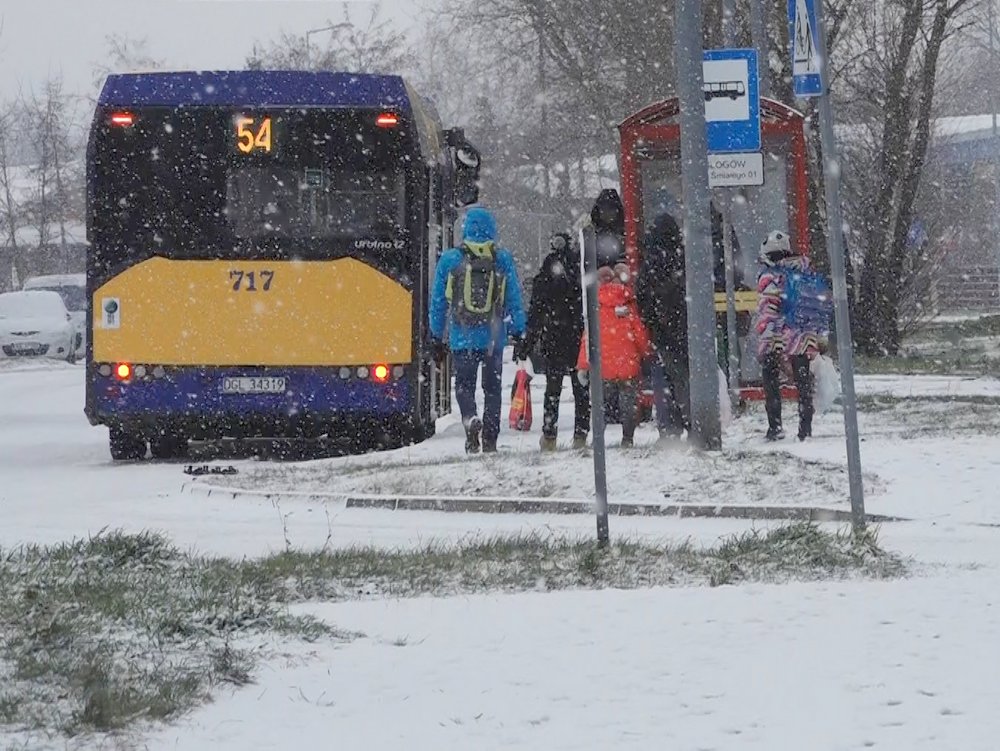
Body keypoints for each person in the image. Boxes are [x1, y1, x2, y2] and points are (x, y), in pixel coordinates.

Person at [429, 207, 527, 454]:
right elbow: (514, 298)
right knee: (492, 389)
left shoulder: (451, 259)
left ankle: (471, 419)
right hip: (493, 337)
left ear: (466, 229)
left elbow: (438, 302)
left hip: (462, 337)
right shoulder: (501, 259)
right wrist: (519, 330)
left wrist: (435, 336)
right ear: (492, 230)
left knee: (464, 386)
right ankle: (490, 439)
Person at [520, 232, 590, 451]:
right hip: (577, 337)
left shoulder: (546, 272)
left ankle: (549, 435)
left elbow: (537, 310)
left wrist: (527, 343)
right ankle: (581, 434)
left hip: (554, 337)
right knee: (580, 387)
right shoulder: (580, 270)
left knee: (553, 388)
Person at [755, 229, 824, 441]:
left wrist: (766, 335)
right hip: (802, 332)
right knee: (803, 380)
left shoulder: (769, 275)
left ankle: (775, 427)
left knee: (771, 377)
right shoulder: (804, 269)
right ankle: (805, 428)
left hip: (775, 331)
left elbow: (768, 308)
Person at [576, 264, 651, 448]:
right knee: (628, 405)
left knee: (601, 404)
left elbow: (588, 339)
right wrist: (646, 354)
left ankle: (598, 438)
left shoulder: (596, 307)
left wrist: (583, 365)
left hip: (604, 366)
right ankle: (627, 438)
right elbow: (640, 334)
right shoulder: (627, 303)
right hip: (628, 363)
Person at [636, 212, 690, 440]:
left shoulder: (651, 260)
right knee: (684, 378)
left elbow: (642, 295)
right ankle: (690, 421)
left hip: (660, 329)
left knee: (664, 379)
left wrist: (652, 321)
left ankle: (669, 427)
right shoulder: (683, 257)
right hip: (685, 327)